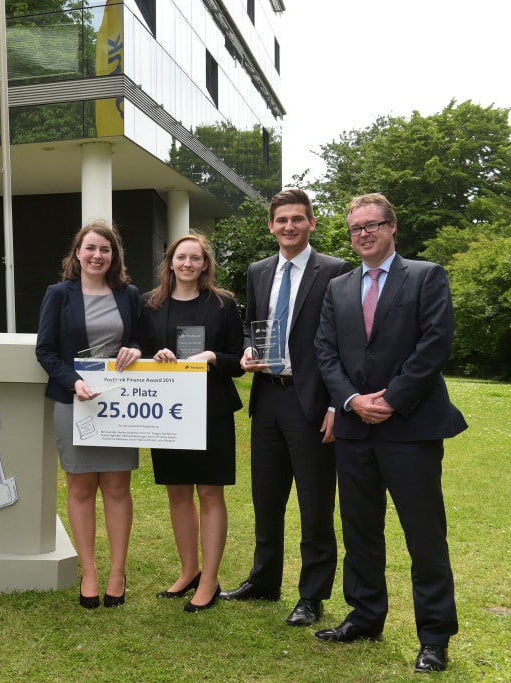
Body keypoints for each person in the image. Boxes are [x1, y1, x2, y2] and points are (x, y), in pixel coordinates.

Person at [314, 193, 467, 674]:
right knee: (360, 530)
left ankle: (435, 637)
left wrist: (392, 399)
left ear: (392, 227)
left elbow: (434, 343)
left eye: (372, 225)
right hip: (356, 430)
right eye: (355, 227)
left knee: (424, 535)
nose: (363, 234)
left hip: (411, 429)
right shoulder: (337, 287)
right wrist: (352, 401)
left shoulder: (425, 276)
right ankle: (364, 616)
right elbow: (326, 352)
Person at [221, 188, 352, 627]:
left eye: (298, 219)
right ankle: (264, 580)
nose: (289, 227)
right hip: (268, 397)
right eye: (281, 220)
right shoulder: (259, 271)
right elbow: (248, 326)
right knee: (267, 498)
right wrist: (244, 351)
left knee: (315, 503)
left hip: (311, 400)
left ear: (311, 223)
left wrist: (337, 403)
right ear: (271, 226)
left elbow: (345, 344)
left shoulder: (335, 270)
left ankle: (312, 596)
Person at [35, 219, 142, 609]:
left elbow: (139, 338)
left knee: (117, 488)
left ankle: (117, 571)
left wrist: (134, 348)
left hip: (118, 401)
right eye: (91, 248)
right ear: (77, 253)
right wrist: (73, 381)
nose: (97, 255)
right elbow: (45, 350)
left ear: (114, 256)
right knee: (80, 488)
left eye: (105, 250)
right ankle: (90, 572)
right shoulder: (59, 294)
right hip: (73, 399)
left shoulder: (128, 294)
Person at [137, 233, 243, 612]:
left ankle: (210, 580)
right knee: (177, 493)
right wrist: (155, 355)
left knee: (210, 494)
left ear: (205, 264)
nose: (187, 264)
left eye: (194, 258)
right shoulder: (149, 304)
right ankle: (189, 572)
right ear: (170, 262)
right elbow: (136, 351)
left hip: (211, 410)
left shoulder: (223, 305)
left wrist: (212, 355)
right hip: (169, 412)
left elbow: (239, 361)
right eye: (180, 257)